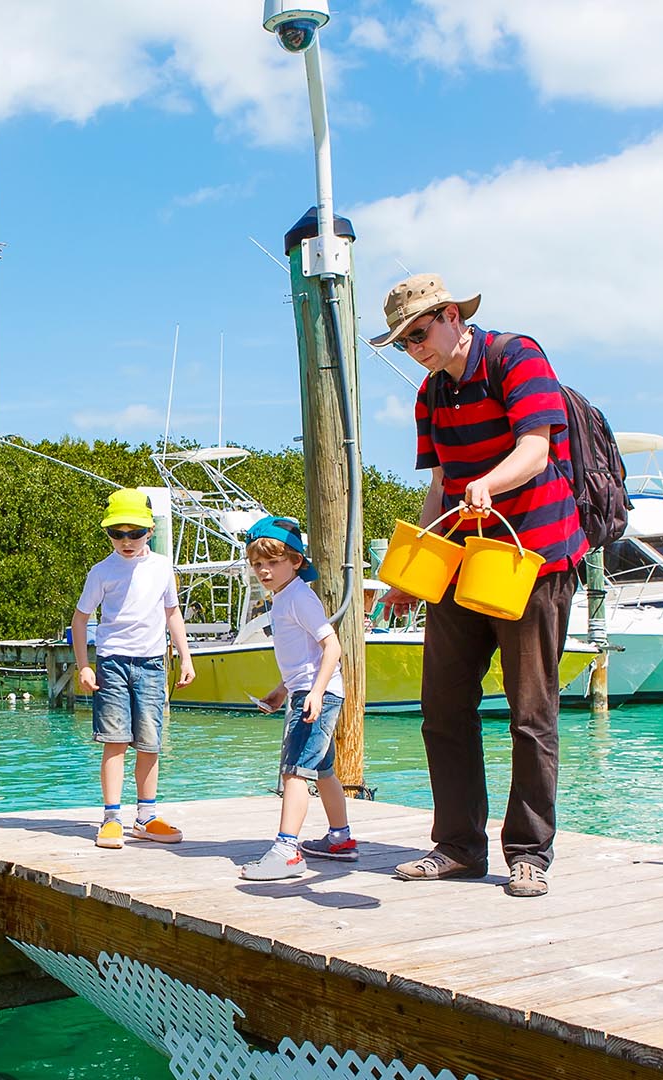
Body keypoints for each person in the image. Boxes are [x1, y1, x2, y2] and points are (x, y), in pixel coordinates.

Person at [370, 273, 585, 899]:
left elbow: (537, 451)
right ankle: (459, 847)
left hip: (535, 560)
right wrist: (415, 573)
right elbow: (439, 487)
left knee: (531, 713)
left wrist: (491, 481)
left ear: (450, 316)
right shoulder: (430, 395)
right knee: (441, 709)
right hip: (464, 564)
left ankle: (529, 853)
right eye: (403, 342)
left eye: (419, 333)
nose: (415, 348)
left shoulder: (517, 357)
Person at [72, 488, 196, 849]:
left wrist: (186, 657)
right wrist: (84, 665)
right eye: (117, 533)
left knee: (150, 742)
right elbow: (81, 620)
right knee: (115, 742)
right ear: (108, 534)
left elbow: (172, 613)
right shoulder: (101, 571)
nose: (126, 541)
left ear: (149, 531)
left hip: (153, 665)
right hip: (112, 664)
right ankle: (112, 817)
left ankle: (146, 816)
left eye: (135, 533)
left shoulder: (161, 567)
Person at [237, 517, 354, 881]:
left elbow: (331, 646)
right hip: (307, 691)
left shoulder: (299, 597)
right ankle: (340, 839)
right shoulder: (284, 598)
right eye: (258, 564)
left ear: (296, 562)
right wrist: (282, 689)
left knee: (293, 772)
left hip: (315, 696)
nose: (264, 571)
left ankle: (287, 851)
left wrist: (315, 693)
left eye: (273, 562)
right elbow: (305, 657)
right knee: (321, 770)